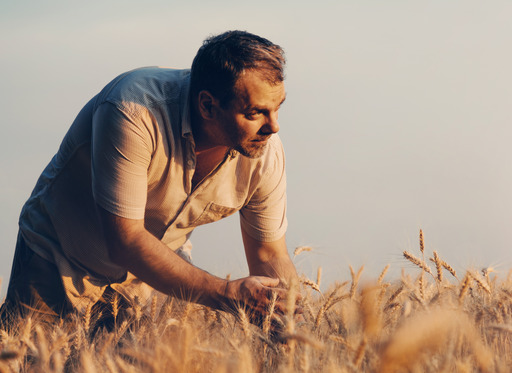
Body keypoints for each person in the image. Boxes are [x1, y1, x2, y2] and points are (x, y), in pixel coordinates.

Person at [0, 30, 298, 332]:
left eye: (277, 108)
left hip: (150, 283)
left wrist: (289, 322)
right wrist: (226, 295)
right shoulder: (133, 112)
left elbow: (269, 253)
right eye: (255, 113)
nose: (273, 126)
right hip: (58, 261)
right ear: (207, 105)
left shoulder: (266, 151)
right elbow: (125, 240)